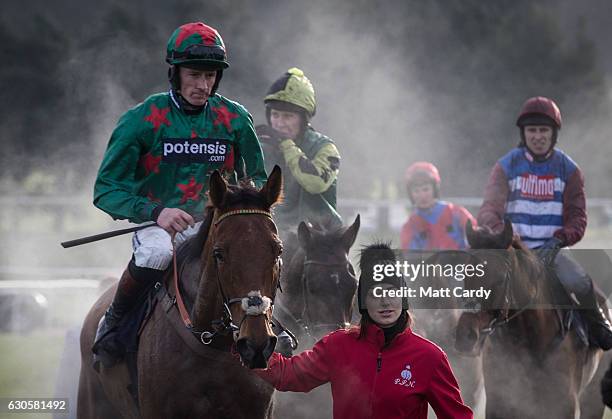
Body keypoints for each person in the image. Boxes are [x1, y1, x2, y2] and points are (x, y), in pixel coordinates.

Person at [91, 21, 267, 366]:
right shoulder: (140, 120)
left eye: (211, 76)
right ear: (175, 72)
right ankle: (114, 324)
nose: (203, 85)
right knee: (156, 253)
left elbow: (257, 178)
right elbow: (106, 190)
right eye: (195, 75)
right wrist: (158, 212)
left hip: (217, 224)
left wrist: (239, 207)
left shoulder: (235, 119)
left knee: (261, 255)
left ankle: (270, 332)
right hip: (158, 225)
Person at [251, 244, 473, 419]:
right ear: (363, 303)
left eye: (392, 292)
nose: (385, 301)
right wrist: (249, 346)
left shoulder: (429, 357)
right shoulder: (338, 345)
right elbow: (288, 375)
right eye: (376, 294)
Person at [477, 96, 612, 350]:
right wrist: (498, 234)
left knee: (578, 281)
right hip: (514, 252)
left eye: (543, 130)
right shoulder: (505, 166)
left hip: (553, 251)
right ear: (523, 133)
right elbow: (489, 209)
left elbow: (577, 217)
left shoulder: (569, 169)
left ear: (553, 133)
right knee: (484, 285)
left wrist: (560, 239)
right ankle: (475, 338)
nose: (538, 136)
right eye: (532, 130)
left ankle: (599, 326)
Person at [255, 68, 342, 232]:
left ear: (304, 119)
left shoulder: (325, 148)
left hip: (320, 237)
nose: (279, 123)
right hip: (273, 232)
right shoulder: (260, 147)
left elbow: (315, 184)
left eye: (288, 116)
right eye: (275, 114)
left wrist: (286, 145)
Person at [400, 161, 476, 250]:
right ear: (410, 194)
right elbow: (411, 258)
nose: (422, 196)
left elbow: (476, 238)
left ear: (435, 189)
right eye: (416, 191)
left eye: (426, 189)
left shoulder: (456, 213)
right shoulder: (410, 226)